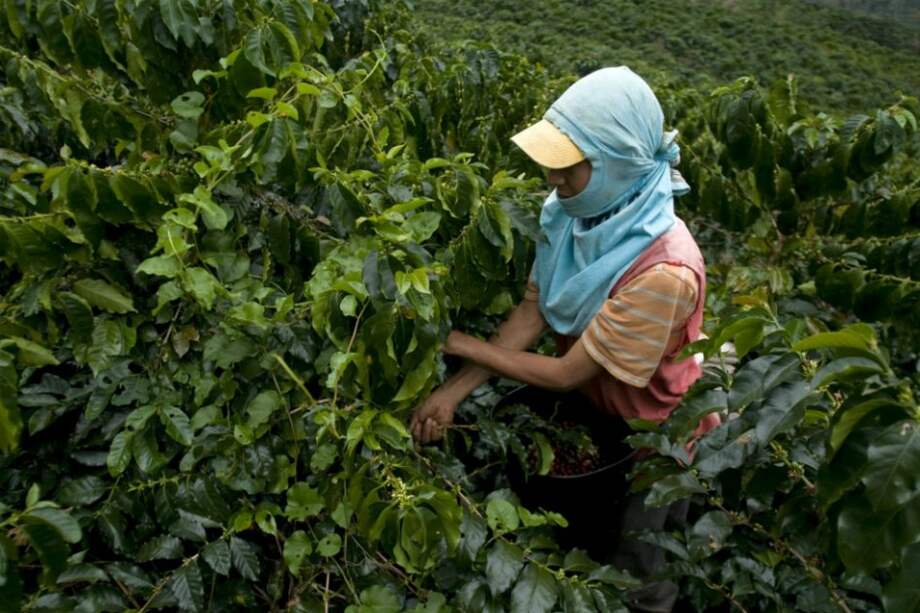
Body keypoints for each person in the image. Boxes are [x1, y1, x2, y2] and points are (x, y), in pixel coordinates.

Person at [409, 67, 720, 612]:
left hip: (655, 430)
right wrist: (452, 392)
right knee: (582, 526)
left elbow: (566, 372)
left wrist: (457, 343)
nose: (553, 179)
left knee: (641, 557)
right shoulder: (574, 212)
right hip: (597, 406)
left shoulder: (665, 273)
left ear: (615, 165)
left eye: (568, 167)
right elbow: (534, 312)